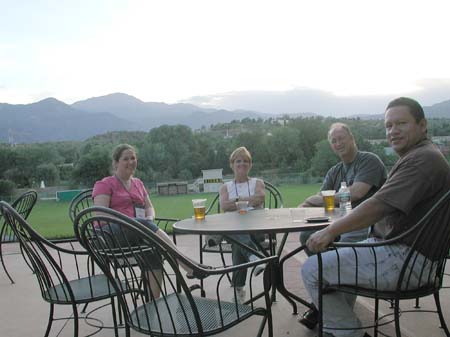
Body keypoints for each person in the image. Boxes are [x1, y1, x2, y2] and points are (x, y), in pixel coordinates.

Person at [301, 97, 450, 337]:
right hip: (402, 252)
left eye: (401, 123)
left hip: (406, 260)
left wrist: (330, 231)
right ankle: (336, 324)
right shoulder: (420, 155)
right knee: (333, 263)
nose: (393, 131)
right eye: (389, 126)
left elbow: (377, 205)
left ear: (422, 125)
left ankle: (348, 332)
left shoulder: (422, 160)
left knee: (311, 269)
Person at [298, 123, 387, 328]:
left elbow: (356, 193)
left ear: (352, 138)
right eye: (334, 140)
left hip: (369, 225)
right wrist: (307, 203)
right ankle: (331, 298)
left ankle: (327, 309)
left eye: (341, 138)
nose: (338, 143)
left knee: (342, 244)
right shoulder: (335, 171)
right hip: (340, 225)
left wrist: (316, 199)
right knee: (306, 237)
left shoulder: (368, 161)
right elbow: (320, 199)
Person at [93, 143, 191, 299]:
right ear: (116, 162)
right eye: (126, 158)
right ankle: (185, 263)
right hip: (108, 236)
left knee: (153, 252)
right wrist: (135, 223)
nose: (131, 162)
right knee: (141, 224)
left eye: (133, 158)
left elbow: (149, 207)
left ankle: (154, 304)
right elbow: (100, 214)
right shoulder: (105, 184)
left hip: (136, 233)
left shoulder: (138, 183)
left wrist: (149, 219)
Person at [219, 146, 266, 303]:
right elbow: (224, 206)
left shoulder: (257, 182)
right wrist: (247, 200)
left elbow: (259, 198)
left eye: (246, 161)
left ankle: (239, 289)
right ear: (232, 165)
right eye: (238, 161)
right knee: (236, 233)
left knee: (236, 240)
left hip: (256, 228)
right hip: (235, 229)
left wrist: (237, 201)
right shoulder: (225, 187)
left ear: (250, 165)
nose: (242, 164)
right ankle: (254, 257)